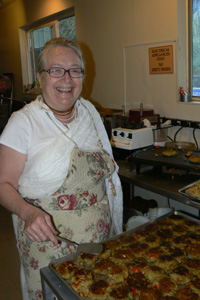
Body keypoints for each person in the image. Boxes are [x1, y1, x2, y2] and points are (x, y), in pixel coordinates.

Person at [0, 37, 123, 300]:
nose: (67, 79)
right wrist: (28, 213)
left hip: (97, 244)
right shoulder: (23, 123)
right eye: (56, 70)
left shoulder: (90, 115)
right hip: (47, 247)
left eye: (75, 70)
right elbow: (3, 184)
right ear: (40, 77)